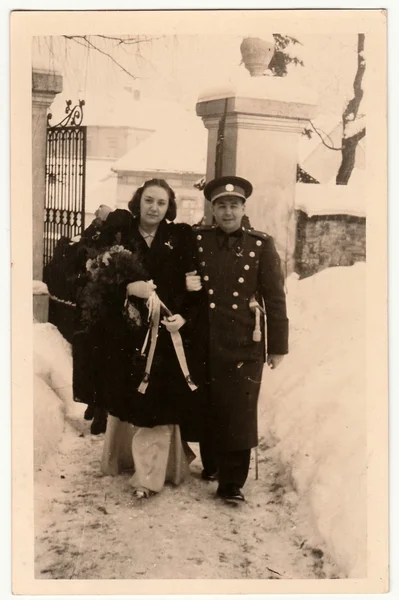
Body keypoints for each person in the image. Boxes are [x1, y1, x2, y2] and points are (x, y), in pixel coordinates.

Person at [78, 179, 206, 499]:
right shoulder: (119, 236)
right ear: (139, 202)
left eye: (161, 203)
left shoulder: (179, 239)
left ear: (169, 208)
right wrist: (125, 289)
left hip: (164, 336)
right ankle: (123, 458)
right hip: (124, 334)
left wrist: (185, 317)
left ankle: (150, 476)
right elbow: (95, 280)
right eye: (149, 200)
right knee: (126, 398)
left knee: (157, 404)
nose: (154, 208)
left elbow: (195, 287)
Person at [186, 175, 289, 505]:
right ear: (212, 210)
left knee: (239, 410)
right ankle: (213, 464)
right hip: (204, 338)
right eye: (221, 206)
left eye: (234, 205)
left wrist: (277, 347)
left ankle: (232, 483)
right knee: (208, 404)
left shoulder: (261, 244)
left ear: (244, 208)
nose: (228, 212)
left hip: (245, 341)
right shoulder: (197, 240)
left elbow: (275, 297)